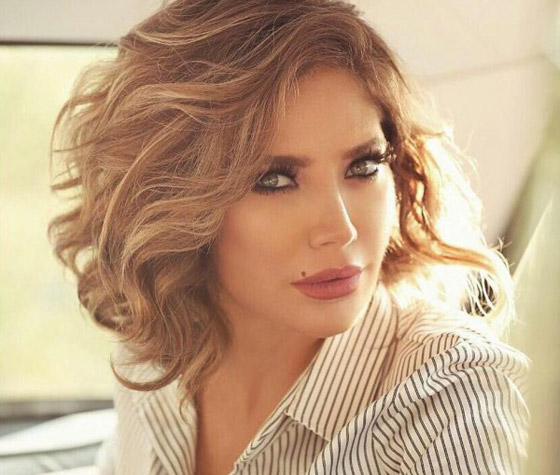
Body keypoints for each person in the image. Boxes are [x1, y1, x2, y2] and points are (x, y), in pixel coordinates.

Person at [48, 0, 531, 473]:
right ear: (176, 200)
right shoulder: (155, 353)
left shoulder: (449, 398)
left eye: (363, 167)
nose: (340, 230)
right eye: (275, 180)